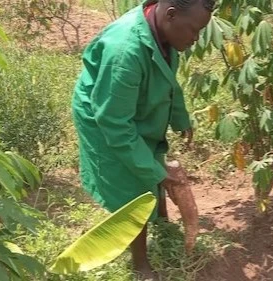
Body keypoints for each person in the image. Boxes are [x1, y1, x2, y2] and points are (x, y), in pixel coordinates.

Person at [71, 0, 214, 279]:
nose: (196, 39)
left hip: (131, 106)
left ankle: (160, 218)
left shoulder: (165, 32)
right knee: (132, 185)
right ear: (170, 15)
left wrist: (180, 117)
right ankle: (140, 265)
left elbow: (168, 82)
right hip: (104, 115)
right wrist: (154, 173)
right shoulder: (124, 51)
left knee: (153, 159)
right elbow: (114, 123)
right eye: (194, 30)